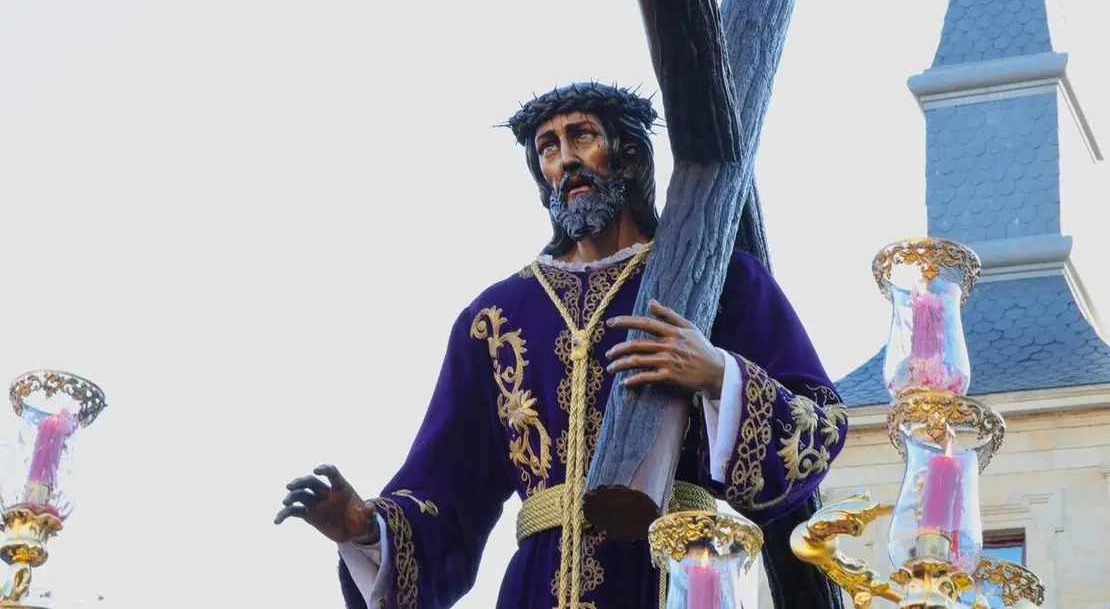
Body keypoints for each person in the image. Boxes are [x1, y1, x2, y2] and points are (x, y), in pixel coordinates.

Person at [275, 82, 849, 609]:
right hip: (537, 588)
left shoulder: (720, 280)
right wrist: (360, 527)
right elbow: (446, 486)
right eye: (549, 148)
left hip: (678, 576)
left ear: (626, 154)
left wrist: (717, 374)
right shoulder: (496, 317)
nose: (566, 158)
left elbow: (819, 425)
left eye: (582, 136)